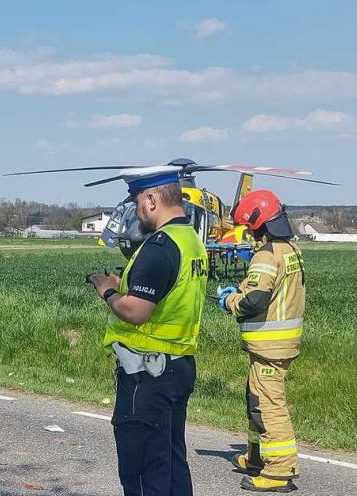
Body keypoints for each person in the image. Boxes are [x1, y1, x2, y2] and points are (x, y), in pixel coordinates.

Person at [90, 170, 208, 496]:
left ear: (152, 200)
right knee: (169, 463)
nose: (137, 212)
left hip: (147, 373)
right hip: (178, 364)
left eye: (139, 202)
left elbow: (137, 311)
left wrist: (107, 291)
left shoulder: (159, 246)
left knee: (142, 469)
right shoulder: (192, 242)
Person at [219, 190, 304, 493]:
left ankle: (280, 470)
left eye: (250, 228)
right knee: (256, 401)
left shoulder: (267, 255)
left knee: (268, 406)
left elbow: (253, 301)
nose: (250, 234)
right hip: (278, 345)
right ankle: (256, 456)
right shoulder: (289, 250)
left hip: (270, 346)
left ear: (259, 224)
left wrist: (229, 299)